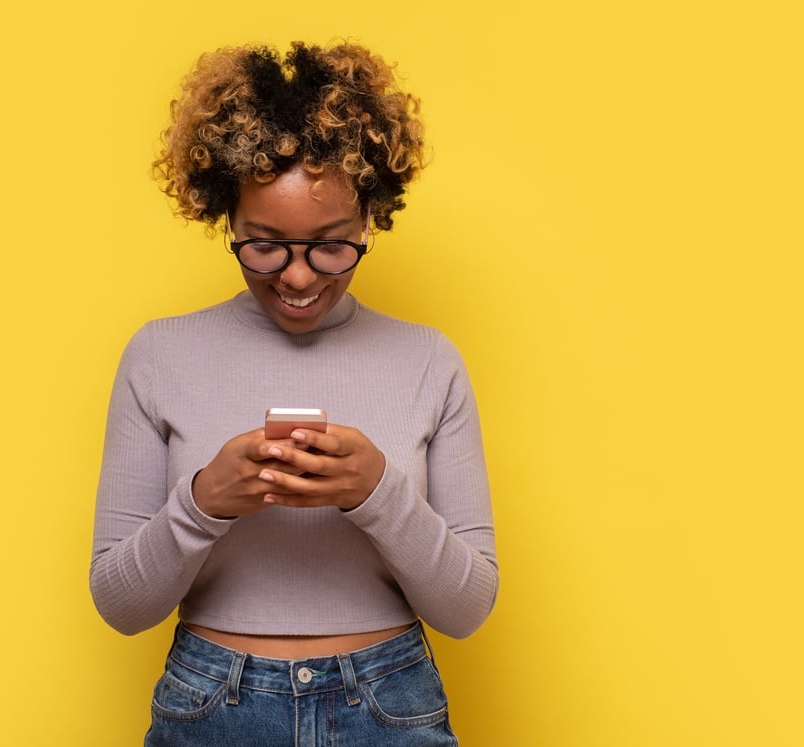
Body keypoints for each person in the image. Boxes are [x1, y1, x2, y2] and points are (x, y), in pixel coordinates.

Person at [90, 41, 499, 746]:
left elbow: (467, 609)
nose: (299, 277)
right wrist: (202, 501)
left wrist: (378, 490)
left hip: (389, 704)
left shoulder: (431, 361)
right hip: (211, 705)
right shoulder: (158, 355)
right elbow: (121, 605)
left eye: (331, 245)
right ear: (227, 220)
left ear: (370, 218)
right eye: (265, 245)